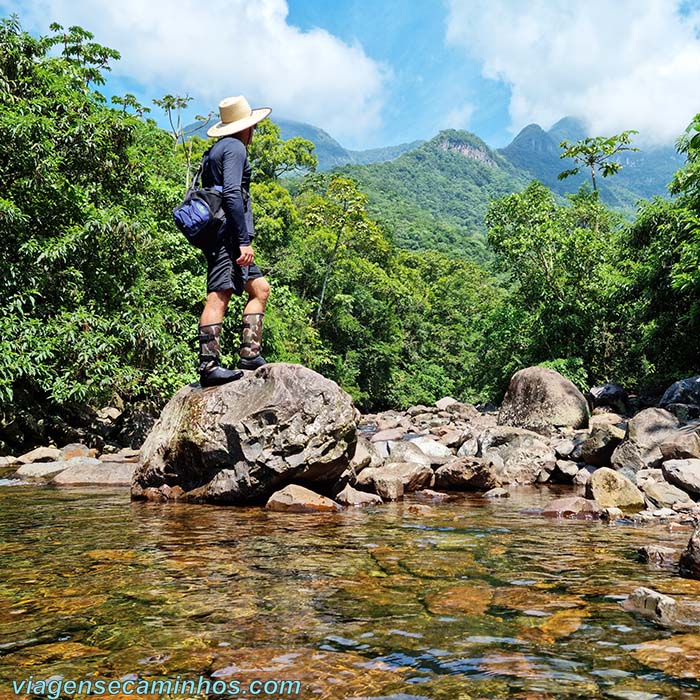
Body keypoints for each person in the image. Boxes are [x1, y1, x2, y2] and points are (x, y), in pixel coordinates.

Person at [196, 95, 272, 387]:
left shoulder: (217, 149)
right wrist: (243, 241)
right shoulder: (236, 148)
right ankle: (209, 366)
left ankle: (250, 354)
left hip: (225, 235)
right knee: (219, 295)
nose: (253, 131)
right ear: (245, 127)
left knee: (260, 289)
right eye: (252, 126)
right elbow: (231, 194)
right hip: (228, 237)